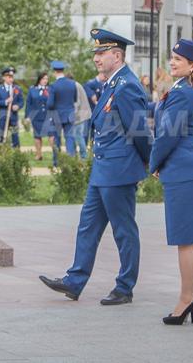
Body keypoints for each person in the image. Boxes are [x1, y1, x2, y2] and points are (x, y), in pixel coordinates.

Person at [40, 28, 150, 306]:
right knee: (87, 226)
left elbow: (139, 131)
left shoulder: (128, 85)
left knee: (123, 230)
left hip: (118, 170)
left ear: (118, 55)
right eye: (96, 54)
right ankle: (74, 280)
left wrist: (151, 161)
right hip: (103, 170)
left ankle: (125, 287)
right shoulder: (113, 83)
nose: (96, 58)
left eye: (101, 53)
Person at [150, 39, 193, 326]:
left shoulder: (181, 93)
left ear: (192, 66)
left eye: (178, 59)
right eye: (172, 57)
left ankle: (186, 298)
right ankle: (188, 297)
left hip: (183, 170)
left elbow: (167, 135)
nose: (172, 62)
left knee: (185, 239)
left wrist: (154, 163)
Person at [47, 61, 78, 164]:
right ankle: (71, 160)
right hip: (70, 113)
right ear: (63, 71)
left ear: (55, 72)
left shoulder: (53, 86)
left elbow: (50, 104)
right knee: (69, 138)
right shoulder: (72, 83)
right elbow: (75, 99)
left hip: (57, 115)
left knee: (56, 138)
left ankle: (57, 161)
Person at [0, 67, 24, 148]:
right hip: (3, 115)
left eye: (12, 77)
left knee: (15, 135)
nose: (11, 79)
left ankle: (16, 152)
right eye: (9, 77)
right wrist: (6, 101)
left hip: (13, 116)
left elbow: (21, 101)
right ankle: (2, 151)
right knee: (3, 135)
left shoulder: (17, 89)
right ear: (4, 77)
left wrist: (18, 106)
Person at [25, 73, 51, 160]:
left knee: (51, 135)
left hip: (48, 116)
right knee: (37, 136)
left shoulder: (50, 89)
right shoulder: (32, 89)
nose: (45, 81)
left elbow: (52, 103)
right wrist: (27, 116)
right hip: (36, 117)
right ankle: (38, 154)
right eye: (43, 79)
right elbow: (28, 103)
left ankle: (56, 154)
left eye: (46, 79)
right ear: (39, 79)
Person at [70, 72, 91, 160]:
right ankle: (75, 153)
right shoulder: (77, 85)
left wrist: (72, 114)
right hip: (81, 114)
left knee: (78, 135)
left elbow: (77, 102)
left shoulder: (75, 86)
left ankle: (83, 156)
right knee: (75, 135)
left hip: (80, 115)